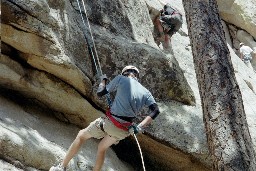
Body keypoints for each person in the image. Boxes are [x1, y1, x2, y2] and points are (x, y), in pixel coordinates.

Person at [49, 65, 160, 171]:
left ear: (125, 73)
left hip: (110, 124)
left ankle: (61, 167)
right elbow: (156, 110)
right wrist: (139, 127)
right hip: (124, 130)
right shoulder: (146, 92)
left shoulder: (121, 78)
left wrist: (103, 81)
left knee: (81, 135)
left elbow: (100, 93)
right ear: (137, 76)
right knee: (102, 147)